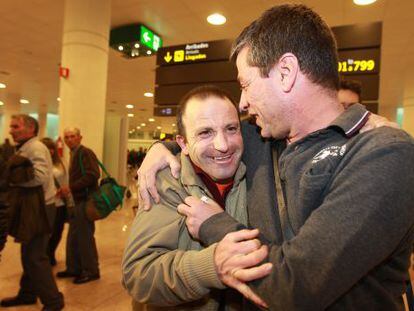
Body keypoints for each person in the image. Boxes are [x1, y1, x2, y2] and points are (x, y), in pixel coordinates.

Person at [137, 4, 414, 310]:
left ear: (285, 72)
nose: (242, 103)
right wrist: (163, 149)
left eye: (245, 84)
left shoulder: (383, 154)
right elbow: (210, 138)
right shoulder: (261, 138)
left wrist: (213, 224)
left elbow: (294, 288)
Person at [122, 85, 262, 310]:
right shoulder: (167, 183)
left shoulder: (257, 173)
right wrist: (211, 266)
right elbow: (139, 275)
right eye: (205, 132)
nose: (223, 145)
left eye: (231, 128)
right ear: (183, 143)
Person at [1, 114, 64, 310]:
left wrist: (10, 179)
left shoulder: (35, 147)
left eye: (15, 126)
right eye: (11, 126)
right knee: (29, 254)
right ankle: (27, 294)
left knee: (35, 257)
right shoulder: (25, 147)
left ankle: (53, 301)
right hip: (34, 208)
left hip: (41, 209)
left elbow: (40, 177)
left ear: (30, 128)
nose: (11, 130)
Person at [57, 127, 100, 284]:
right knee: (73, 237)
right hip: (75, 201)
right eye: (66, 137)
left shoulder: (85, 152)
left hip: (85, 201)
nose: (69, 140)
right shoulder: (73, 153)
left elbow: (93, 174)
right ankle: (73, 268)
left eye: (72, 136)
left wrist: (71, 187)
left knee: (84, 237)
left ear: (80, 137)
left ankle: (91, 270)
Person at [41, 138, 71, 266]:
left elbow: (65, 179)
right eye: (47, 149)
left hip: (61, 204)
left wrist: (65, 190)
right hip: (47, 204)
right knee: (47, 232)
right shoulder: (40, 165)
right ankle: (45, 255)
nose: (50, 152)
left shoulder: (60, 163)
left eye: (51, 149)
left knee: (58, 231)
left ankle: (50, 253)